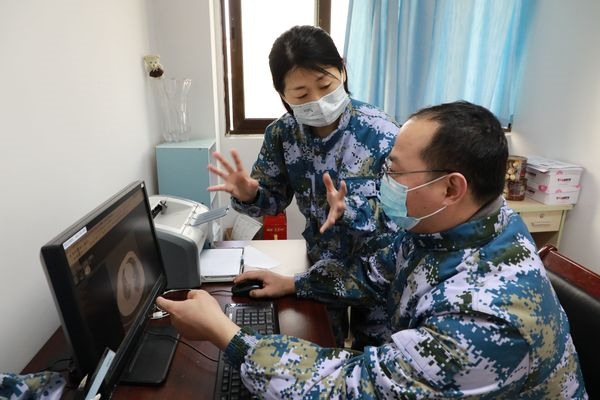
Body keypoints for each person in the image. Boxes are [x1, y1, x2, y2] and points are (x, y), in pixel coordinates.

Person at [158, 101, 587, 398]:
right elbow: (376, 272)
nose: (383, 184)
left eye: (395, 172)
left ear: (452, 187)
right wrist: (293, 282)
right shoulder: (462, 225)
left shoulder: (485, 318)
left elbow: (356, 388)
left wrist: (226, 335)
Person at [207, 25, 400, 348]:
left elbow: (405, 210)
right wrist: (250, 194)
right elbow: (271, 201)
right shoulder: (282, 135)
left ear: (341, 69)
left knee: (377, 358)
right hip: (321, 268)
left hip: (378, 271)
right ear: (283, 94)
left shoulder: (381, 131)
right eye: (301, 94)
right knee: (324, 349)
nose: (318, 101)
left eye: (325, 85)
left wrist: (350, 210)